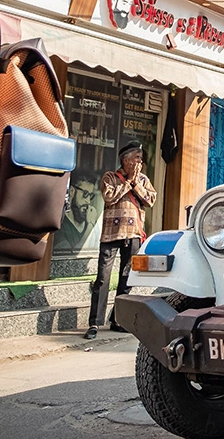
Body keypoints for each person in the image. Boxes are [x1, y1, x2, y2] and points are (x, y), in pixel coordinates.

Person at [86, 142, 156, 339]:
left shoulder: (142, 179)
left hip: (133, 235)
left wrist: (136, 183)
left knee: (126, 279)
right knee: (103, 278)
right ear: (125, 160)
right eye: (137, 158)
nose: (140, 162)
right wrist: (127, 182)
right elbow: (109, 197)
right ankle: (95, 323)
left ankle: (118, 319)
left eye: (140, 159)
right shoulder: (110, 177)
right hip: (111, 234)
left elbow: (150, 200)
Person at [54, 175, 101, 253]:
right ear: (72, 191)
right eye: (85, 194)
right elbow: (70, 259)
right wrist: (90, 226)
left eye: (90, 196)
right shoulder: (60, 225)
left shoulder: (91, 222)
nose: (88, 201)